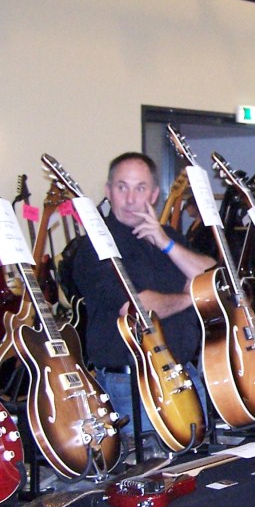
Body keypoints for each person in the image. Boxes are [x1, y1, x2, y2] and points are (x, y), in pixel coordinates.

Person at [72, 152, 216, 438]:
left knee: (200, 462)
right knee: (154, 464)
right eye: (122, 187)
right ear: (108, 191)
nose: (130, 199)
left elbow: (212, 276)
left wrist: (165, 243)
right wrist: (190, 297)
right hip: (134, 386)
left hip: (185, 374)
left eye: (140, 188)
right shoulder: (93, 247)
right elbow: (137, 309)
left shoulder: (167, 237)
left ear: (153, 195)